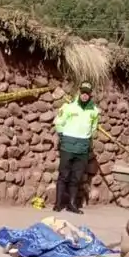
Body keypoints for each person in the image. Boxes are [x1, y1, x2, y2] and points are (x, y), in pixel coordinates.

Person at [52, 81, 100, 214]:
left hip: (82, 148)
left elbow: (94, 127)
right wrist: (63, 137)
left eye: (87, 93)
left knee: (76, 178)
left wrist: (88, 138)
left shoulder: (94, 111)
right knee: (64, 175)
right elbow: (58, 122)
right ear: (79, 92)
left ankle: (72, 205)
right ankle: (58, 204)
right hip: (68, 145)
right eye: (83, 92)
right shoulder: (68, 107)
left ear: (90, 95)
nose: (85, 95)